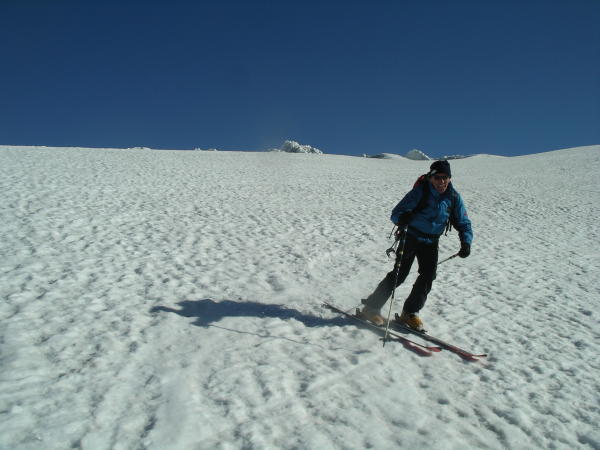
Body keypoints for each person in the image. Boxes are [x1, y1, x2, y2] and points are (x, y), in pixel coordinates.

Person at [360, 160, 473, 331]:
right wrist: (402, 218)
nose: (441, 181)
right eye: (437, 177)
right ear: (431, 178)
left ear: (450, 178)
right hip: (411, 237)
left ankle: (410, 312)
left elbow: (463, 222)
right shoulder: (420, 192)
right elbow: (396, 213)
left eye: (445, 177)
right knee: (400, 274)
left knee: (428, 276)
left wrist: (466, 242)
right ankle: (371, 307)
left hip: (431, 241)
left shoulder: (454, 198)